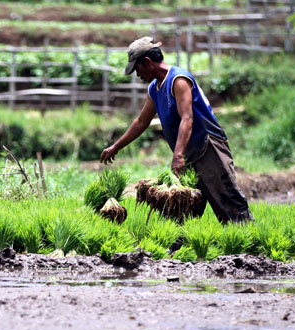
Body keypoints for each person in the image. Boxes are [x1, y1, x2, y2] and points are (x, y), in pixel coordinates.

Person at [100, 36, 253, 224]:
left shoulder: (178, 80)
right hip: (188, 152)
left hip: (208, 147)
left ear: (147, 62)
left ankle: (250, 242)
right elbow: (141, 121)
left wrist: (178, 155)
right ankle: (177, 247)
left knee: (227, 201)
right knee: (182, 205)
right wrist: (116, 147)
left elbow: (187, 118)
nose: (137, 75)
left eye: (137, 68)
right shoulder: (155, 88)